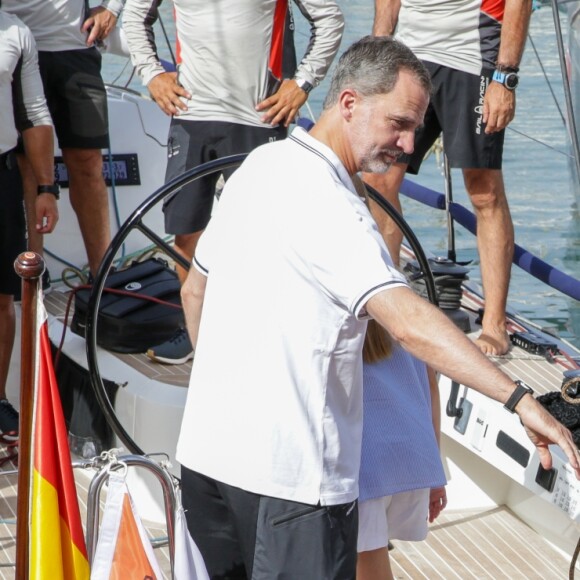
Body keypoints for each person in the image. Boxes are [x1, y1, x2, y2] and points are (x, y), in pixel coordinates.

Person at [177, 36, 580, 577]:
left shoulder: (257, 167)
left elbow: (194, 290)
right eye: (400, 123)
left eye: (415, 128)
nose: (410, 144)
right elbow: (408, 323)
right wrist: (519, 400)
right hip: (293, 487)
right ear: (349, 104)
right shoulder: (337, 207)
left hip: (207, 459)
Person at [122, 0, 344, 364]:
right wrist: (151, 73)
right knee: (186, 232)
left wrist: (302, 83)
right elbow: (133, 13)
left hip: (258, 116)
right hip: (191, 112)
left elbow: (329, 18)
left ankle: (258, 335)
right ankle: (196, 332)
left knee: (261, 236)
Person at [365, 0, 533, 357]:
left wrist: (505, 76)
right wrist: (379, 45)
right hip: (408, 54)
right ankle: (385, 307)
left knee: (484, 192)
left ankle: (495, 324)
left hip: (473, 57)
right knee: (378, 183)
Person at [3, 0, 126, 277]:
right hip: (15, 41)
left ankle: (102, 277)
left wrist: (113, 8)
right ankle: (33, 276)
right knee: (26, 164)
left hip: (75, 46)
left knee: (88, 162)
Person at [0, 9, 59, 439]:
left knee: (1, 301)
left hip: (1, 174)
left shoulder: (16, 32)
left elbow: (34, 113)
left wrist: (46, 187)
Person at [357, 319, 447, 580]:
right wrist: (435, 474)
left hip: (362, 459)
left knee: (366, 555)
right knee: (373, 551)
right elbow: (430, 390)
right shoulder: (409, 313)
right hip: (408, 457)